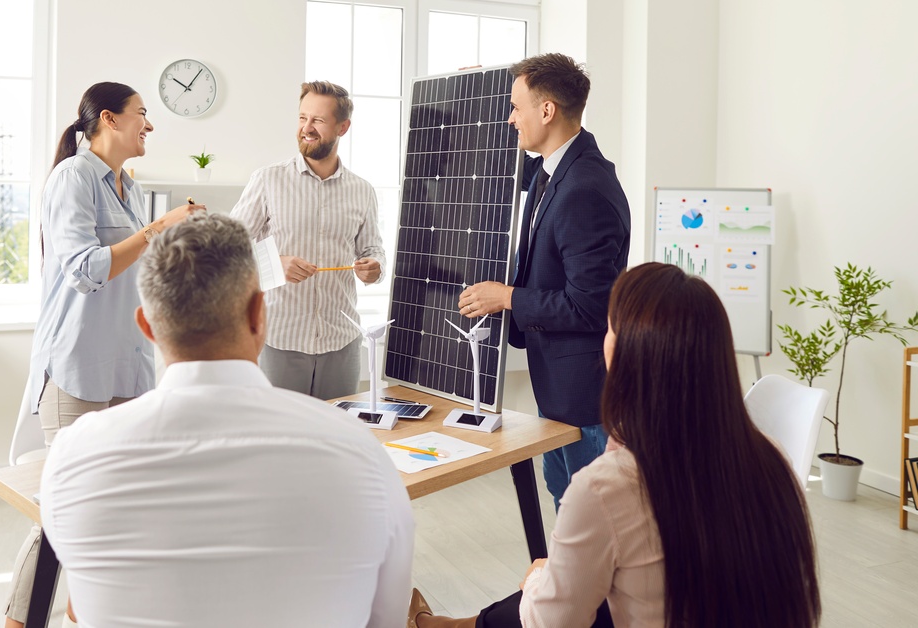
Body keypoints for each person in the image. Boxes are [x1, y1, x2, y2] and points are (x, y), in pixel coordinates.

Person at [40, 213, 415, 627]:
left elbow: (81, 608)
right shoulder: (358, 449)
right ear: (259, 314)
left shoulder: (75, 453)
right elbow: (387, 620)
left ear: (147, 326)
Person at [411, 262, 822, 628]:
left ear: (625, 354)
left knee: (550, 583)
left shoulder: (607, 487)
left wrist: (539, 576)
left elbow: (550, 622)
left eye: (608, 327)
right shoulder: (772, 455)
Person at [5, 82, 204, 628]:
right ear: (111, 120)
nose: (150, 125)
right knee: (62, 514)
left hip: (128, 368)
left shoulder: (126, 185)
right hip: (76, 372)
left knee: (117, 508)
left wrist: (174, 242)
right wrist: (156, 229)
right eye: (143, 114)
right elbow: (85, 271)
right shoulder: (72, 178)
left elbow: (133, 265)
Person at [457, 53, 631, 509]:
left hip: (585, 400)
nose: (511, 118)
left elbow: (589, 306)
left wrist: (507, 297)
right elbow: (509, 157)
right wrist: (471, 102)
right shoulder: (558, 168)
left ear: (547, 110)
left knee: (588, 514)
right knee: (566, 502)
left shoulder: (584, 190)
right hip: (559, 390)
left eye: (516, 107)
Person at [231, 80, 386, 399]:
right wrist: (274, 265)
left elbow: (373, 250)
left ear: (343, 127)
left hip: (342, 343)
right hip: (280, 343)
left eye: (318, 120)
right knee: (279, 442)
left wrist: (374, 267)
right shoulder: (268, 180)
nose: (307, 128)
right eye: (303, 118)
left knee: (334, 440)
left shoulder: (362, 191)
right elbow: (228, 249)